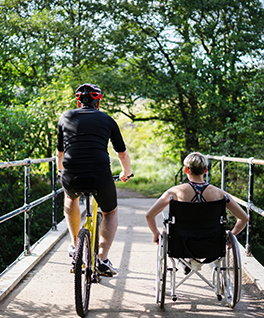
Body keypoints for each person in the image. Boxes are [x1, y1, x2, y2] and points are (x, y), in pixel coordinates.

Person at [56, 83, 132, 276]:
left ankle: (75, 247)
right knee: (110, 212)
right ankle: (102, 259)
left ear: (78, 100)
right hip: (99, 173)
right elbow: (122, 154)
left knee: (70, 198)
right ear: (98, 100)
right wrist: (126, 173)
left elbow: (60, 153)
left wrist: (60, 172)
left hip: (72, 172)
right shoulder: (107, 119)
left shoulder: (66, 117)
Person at [146, 152, 249, 246]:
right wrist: (231, 236)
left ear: (186, 170)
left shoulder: (174, 192)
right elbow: (244, 218)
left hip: (182, 241)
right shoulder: (220, 193)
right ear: (205, 170)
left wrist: (156, 233)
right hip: (212, 241)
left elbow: (149, 215)